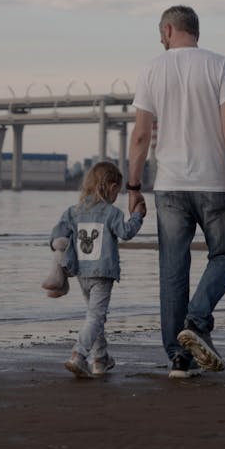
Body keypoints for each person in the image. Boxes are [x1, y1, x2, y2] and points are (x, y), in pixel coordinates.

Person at [126, 5, 225, 378]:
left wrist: (133, 187)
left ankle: (178, 359)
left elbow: (140, 135)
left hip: (169, 186)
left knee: (172, 270)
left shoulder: (151, 69)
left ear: (168, 30)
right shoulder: (219, 65)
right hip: (214, 182)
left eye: (160, 33)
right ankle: (196, 322)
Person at [49, 160, 146, 378]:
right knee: (95, 317)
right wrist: (138, 215)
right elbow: (126, 232)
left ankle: (100, 359)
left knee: (95, 316)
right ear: (111, 187)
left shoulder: (73, 212)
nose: (116, 197)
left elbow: (57, 236)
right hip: (102, 274)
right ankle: (79, 354)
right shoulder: (112, 213)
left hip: (82, 273)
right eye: (117, 192)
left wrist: (58, 256)